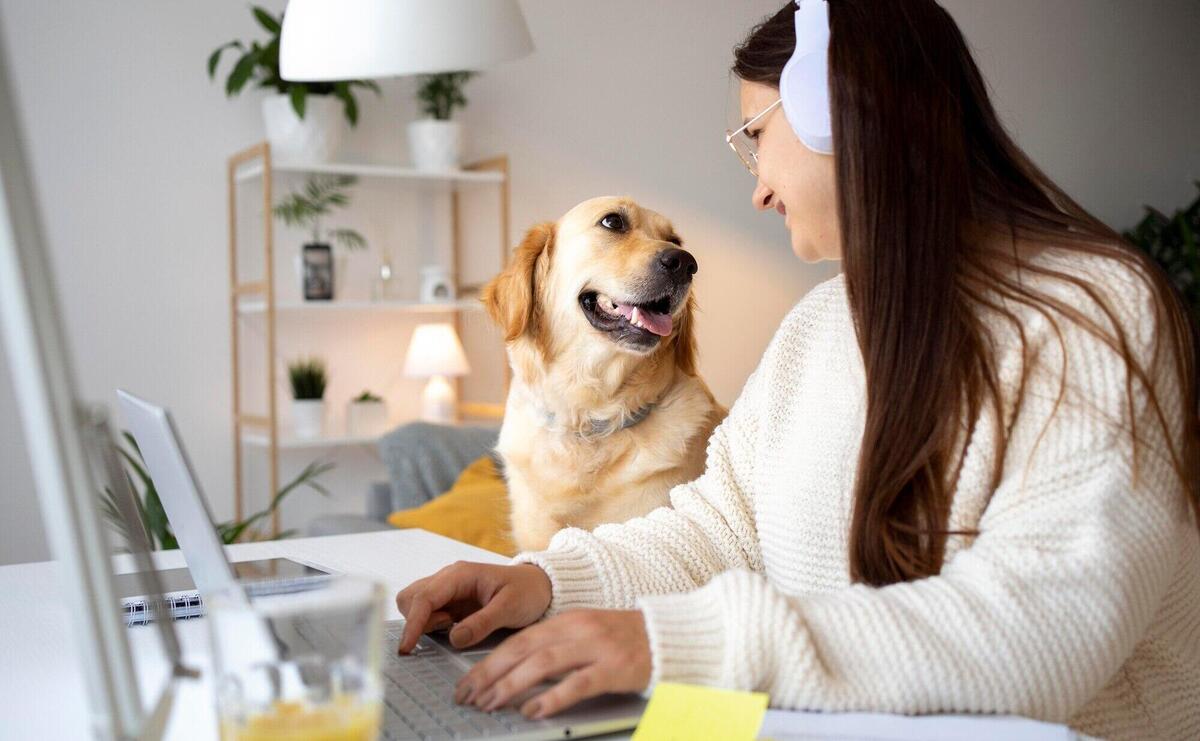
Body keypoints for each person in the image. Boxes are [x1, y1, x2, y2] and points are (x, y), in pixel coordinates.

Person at [395, 1, 1200, 738]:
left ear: (840, 107)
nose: (757, 188)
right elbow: (719, 529)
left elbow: (1044, 626)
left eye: (755, 134)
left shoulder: (1094, 312)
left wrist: (674, 641)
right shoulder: (819, 326)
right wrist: (544, 583)